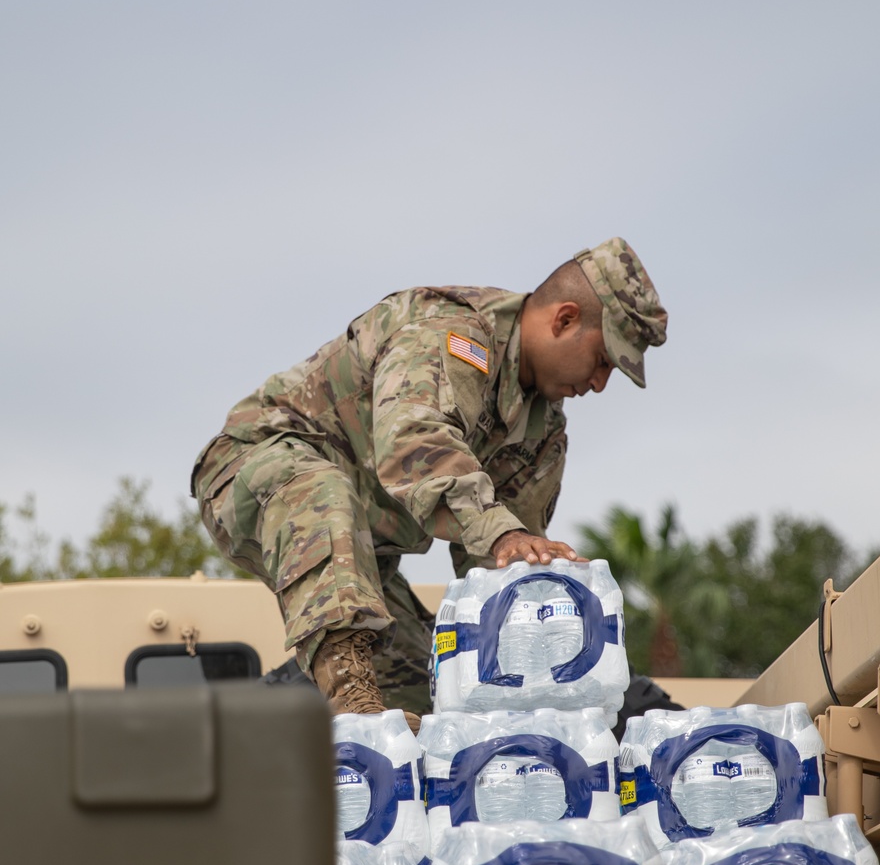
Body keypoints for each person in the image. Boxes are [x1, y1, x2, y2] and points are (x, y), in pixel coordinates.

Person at [191, 237, 667, 729]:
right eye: (604, 359)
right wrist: (503, 533)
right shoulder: (453, 334)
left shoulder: (543, 433)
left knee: (424, 690)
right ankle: (353, 712)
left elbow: (498, 570)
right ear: (564, 319)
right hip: (259, 473)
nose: (600, 383)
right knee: (322, 493)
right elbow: (413, 445)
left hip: (362, 551)